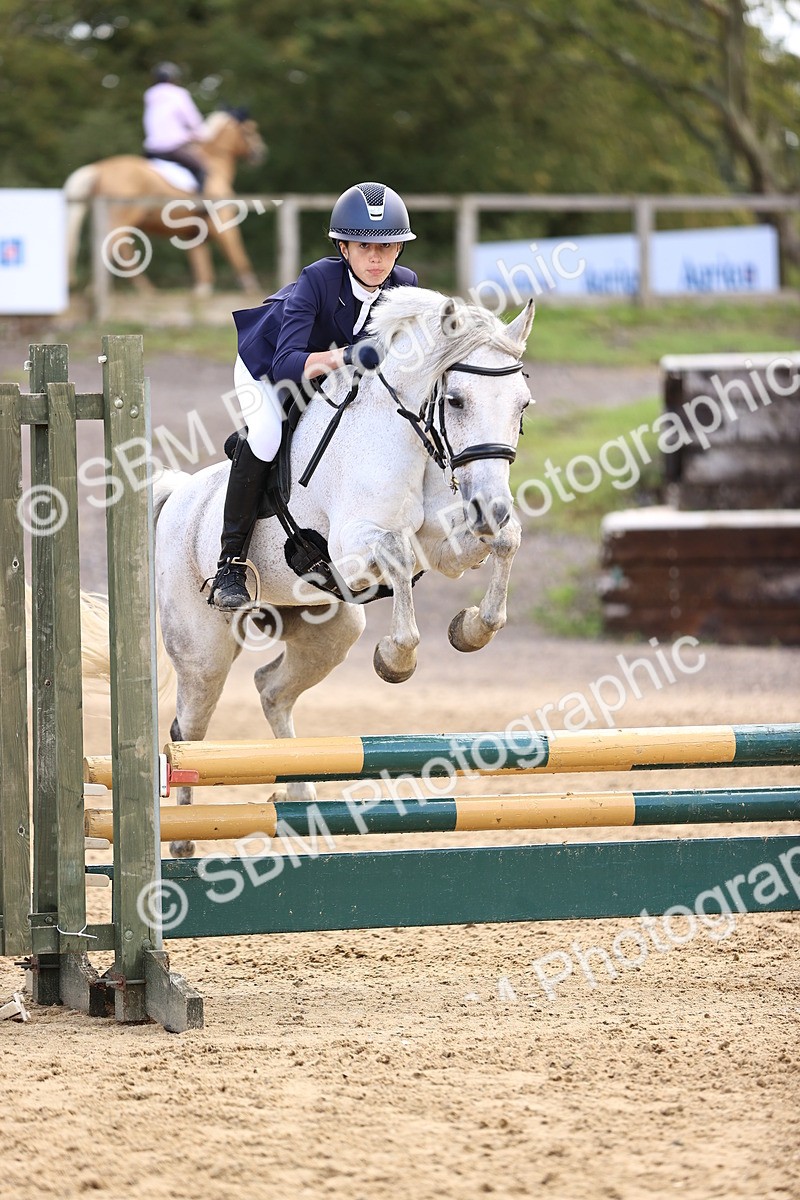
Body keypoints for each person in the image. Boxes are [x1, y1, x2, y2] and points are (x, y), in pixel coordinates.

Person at [206, 181, 418, 609]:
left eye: (388, 247)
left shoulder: (405, 284)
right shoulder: (318, 279)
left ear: (399, 250)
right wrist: (348, 355)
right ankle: (229, 566)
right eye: (363, 247)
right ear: (343, 248)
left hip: (327, 374)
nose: (376, 258)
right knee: (267, 434)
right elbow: (287, 363)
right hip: (267, 365)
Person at [143, 62, 208, 192]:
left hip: (150, 149)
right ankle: (202, 207)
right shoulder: (178, 94)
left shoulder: (150, 95)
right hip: (172, 148)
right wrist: (201, 133)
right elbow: (192, 119)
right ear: (174, 78)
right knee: (201, 170)